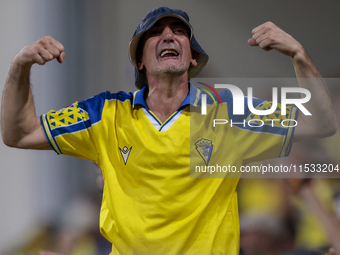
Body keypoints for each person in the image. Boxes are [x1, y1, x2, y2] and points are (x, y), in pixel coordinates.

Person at [1, 6, 337, 255]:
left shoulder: (227, 112)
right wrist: (20, 66)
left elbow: (321, 123)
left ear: (193, 59)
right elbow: (18, 134)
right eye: (155, 32)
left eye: (179, 31)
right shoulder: (105, 113)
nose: (168, 35)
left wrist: (298, 54)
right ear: (140, 61)